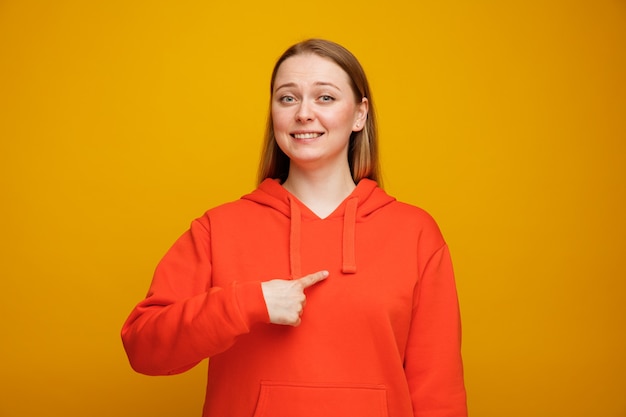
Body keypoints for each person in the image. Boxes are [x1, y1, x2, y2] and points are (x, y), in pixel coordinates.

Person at [121, 38, 468, 417]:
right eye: (288, 98)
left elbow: (439, 392)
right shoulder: (218, 228)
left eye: (325, 98)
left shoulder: (415, 233)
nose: (303, 113)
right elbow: (143, 348)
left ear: (359, 115)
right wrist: (245, 303)